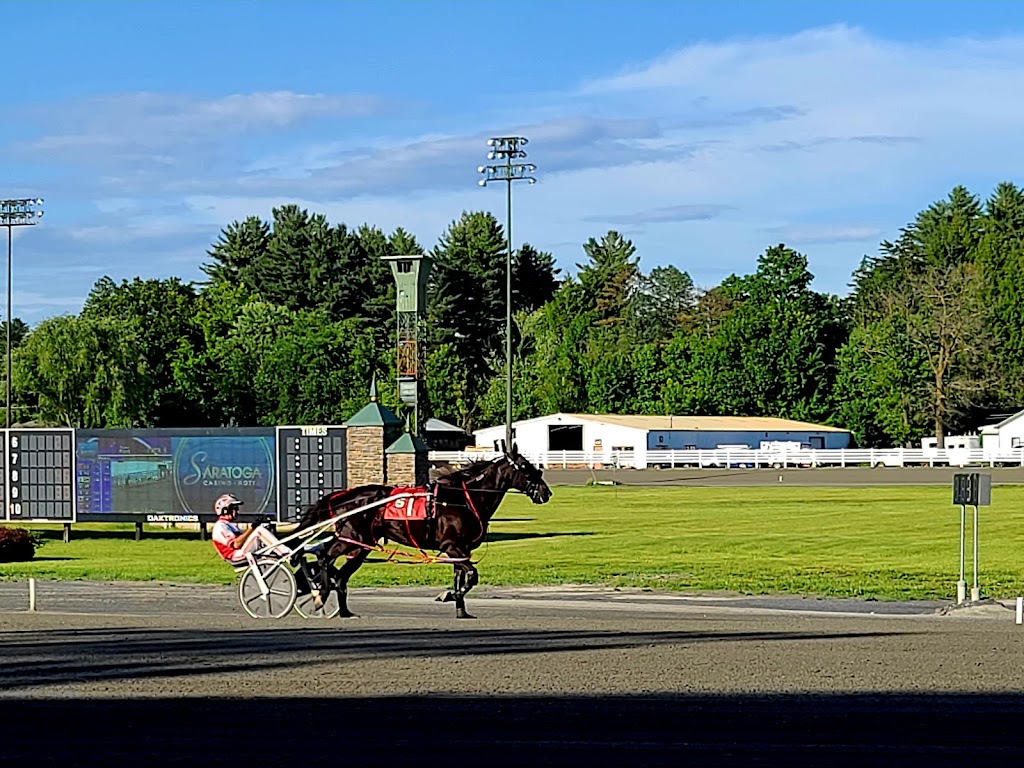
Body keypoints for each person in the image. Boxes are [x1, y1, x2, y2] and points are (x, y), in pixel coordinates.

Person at [210, 493, 288, 564]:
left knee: (263, 530)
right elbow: (236, 544)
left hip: (241, 551)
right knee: (259, 531)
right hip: (236, 556)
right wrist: (252, 528)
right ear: (225, 510)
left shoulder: (230, 525)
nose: (237, 511)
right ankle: (286, 554)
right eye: (235, 508)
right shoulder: (220, 526)